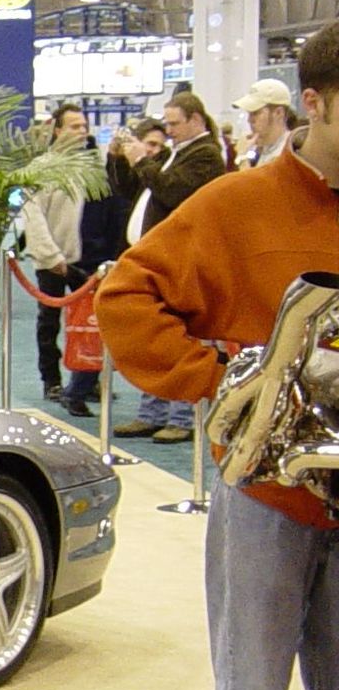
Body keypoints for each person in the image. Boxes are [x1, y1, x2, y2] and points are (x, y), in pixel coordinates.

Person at [98, 22, 339, 690]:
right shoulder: (239, 203)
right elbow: (127, 295)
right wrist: (221, 387)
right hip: (265, 497)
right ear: (314, 103)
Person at [113, 91, 229, 442]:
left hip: (185, 260)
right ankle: (153, 411)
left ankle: (182, 416)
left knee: (184, 339)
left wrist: (142, 161)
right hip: (159, 259)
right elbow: (132, 189)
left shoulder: (206, 156)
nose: (169, 129)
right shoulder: (174, 153)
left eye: (175, 123)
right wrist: (120, 159)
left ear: (196, 120)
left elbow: (172, 192)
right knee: (157, 339)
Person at [23, 104, 97, 406]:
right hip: (52, 260)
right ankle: (51, 380)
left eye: (84, 126)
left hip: (85, 258)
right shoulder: (42, 168)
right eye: (74, 126)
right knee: (49, 323)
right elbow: (33, 217)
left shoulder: (91, 166)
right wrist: (51, 257)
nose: (81, 132)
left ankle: (86, 380)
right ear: (58, 130)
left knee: (89, 322)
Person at [234, 78, 297, 169]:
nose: (249, 120)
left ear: (279, 113)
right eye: (249, 113)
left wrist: (242, 157)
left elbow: (253, 180)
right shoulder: (266, 150)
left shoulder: (288, 154)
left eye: (255, 113)